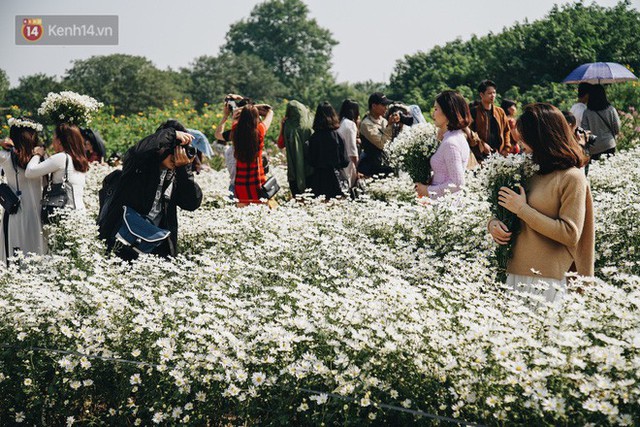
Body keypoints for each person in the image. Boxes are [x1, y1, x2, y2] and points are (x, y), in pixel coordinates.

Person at [489, 103, 594, 303]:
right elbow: (502, 208)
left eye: (524, 137)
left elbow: (570, 234)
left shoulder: (572, 177)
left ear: (542, 137)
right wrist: (493, 224)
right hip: (512, 274)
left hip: (548, 282)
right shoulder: (525, 169)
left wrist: (522, 209)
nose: (519, 142)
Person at [98, 120, 202, 259]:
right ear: (162, 146)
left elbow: (191, 203)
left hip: (154, 246)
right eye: (174, 149)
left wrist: (184, 169)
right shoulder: (139, 165)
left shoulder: (176, 175)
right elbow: (139, 150)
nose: (177, 154)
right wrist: (172, 134)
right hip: (122, 238)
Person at [0, 118, 46, 264]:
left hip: (15, 213)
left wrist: (1, 142)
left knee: (15, 258)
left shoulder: (5, 156)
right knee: (36, 254)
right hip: (37, 214)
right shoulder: (41, 158)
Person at [415, 91, 471, 200]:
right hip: (445, 202)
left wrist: (427, 190)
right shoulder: (454, 136)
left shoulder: (451, 143)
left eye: (436, 109)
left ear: (448, 112)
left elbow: (457, 183)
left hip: (445, 204)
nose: (433, 114)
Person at [26, 122, 89, 211]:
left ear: (59, 141)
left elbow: (30, 172)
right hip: (79, 211)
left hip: (65, 212)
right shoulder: (78, 159)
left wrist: (37, 154)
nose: (53, 142)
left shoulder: (61, 157)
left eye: (54, 138)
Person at [233, 104, 274, 205]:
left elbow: (236, 112)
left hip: (240, 181)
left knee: (242, 211)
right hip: (257, 178)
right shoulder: (259, 130)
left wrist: (252, 107)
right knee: (261, 208)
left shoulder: (235, 129)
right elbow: (270, 115)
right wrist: (265, 110)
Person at [307, 102, 350, 199]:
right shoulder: (337, 136)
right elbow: (345, 161)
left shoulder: (314, 137)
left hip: (319, 179)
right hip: (336, 177)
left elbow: (311, 160)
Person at [276, 100, 314, 196]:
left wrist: (282, 127)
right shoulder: (310, 123)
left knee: (298, 200)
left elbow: (280, 144)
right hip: (311, 170)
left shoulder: (288, 126)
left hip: (294, 172)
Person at [357, 92, 398, 177]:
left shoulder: (383, 120)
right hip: (372, 168)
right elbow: (381, 144)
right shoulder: (366, 124)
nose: (386, 108)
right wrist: (389, 126)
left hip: (385, 165)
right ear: (374, 106)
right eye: (383, 105)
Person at [469, 80, 511, 161]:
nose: (493, 95)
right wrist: (482, 144)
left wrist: (506, 148)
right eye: (489, 93)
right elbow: (470, 132)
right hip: (480, 155)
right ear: (481, 95)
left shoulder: (500, 112)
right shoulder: (474, 112)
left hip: (499, 154)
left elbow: (506, 130)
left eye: (494, 93)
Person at [581, 84, 621, 160]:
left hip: (594, 148)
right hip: (609, 144)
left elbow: (585, 131)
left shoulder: (587, 112)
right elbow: (617, 128)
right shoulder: (611, 109)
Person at [336, 99, 360, 189]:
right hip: (348, 163)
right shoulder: (350, 125)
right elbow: (352, 150)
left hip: (340, 162)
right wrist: (358, 168)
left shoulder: (341, 123)